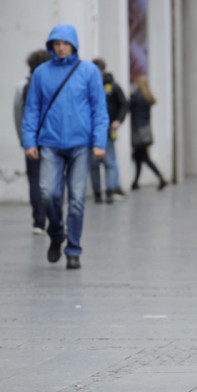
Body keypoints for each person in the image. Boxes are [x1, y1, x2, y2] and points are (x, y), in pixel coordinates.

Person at [22, 24, 109, 270]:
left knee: (77, 200)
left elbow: (99, 110)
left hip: (81, 145)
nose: (61, 48)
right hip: (49, 143)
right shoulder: (41, 73)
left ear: (74, 45)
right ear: (51, 46)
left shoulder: (89, 72)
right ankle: (57, 232)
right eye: (56, 43)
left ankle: (73, 249)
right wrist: (30, 141)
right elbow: (32, 109)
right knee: (48, 193)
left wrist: (99, 142)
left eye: (65, 43)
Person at [14, 49, 51, 236]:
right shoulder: (52, 83)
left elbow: (18, 113)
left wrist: (24, 139)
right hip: (52, 139)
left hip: (32, 139)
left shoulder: (23, 85)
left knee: (35, 179)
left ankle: (38, 220)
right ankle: (54, 217)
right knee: (53, 178)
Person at [90, 58, 129, 203]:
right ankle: (97, 193)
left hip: (107, 131)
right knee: (93, 165)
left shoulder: (113, 87)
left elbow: (124, 105)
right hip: (91, 133)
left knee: (110, 161)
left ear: (103, 71)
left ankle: (110, 191)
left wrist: (118, 120)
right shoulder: (87, 86)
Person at [129, 75, 167, 190]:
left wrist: (132, 94)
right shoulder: (147, 97)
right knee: (139, 156)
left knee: (143, 157)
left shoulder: (136, 97)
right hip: (146, 129)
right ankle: (135, 182)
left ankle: (160, 177)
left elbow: (129, 107)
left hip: (137, 130)